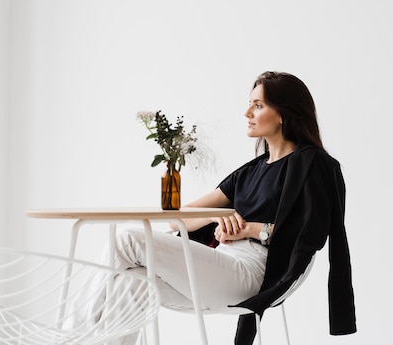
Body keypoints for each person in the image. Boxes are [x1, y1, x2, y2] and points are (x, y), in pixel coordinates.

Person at [73, 71, 356, 345]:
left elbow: (313, 232)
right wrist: (216, 217)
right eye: (250, 105)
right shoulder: (249, 172)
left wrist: (249, 229)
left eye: (258, 106)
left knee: (128, 239)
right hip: (220, 266)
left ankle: (71, 336)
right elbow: (177, 221)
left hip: (256, 272)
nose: (247, 114)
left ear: (283, 114)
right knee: (130, 283)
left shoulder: (312, 164)